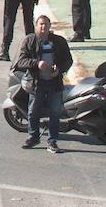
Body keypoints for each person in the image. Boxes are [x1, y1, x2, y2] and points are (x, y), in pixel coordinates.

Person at [15, 15, 73, 153]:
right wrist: (37, 64)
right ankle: (33, 137)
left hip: (54, 84)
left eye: (46, 24)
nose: (43, 27)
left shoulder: (59, 41)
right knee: (33, 112)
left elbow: (68, 60)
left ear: (50, 26)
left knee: (54, 113)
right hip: (37, 84)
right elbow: (21, 62)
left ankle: (52, 142)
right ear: (36, 25)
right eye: (41, 24)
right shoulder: (29, 41)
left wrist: (59, 70)